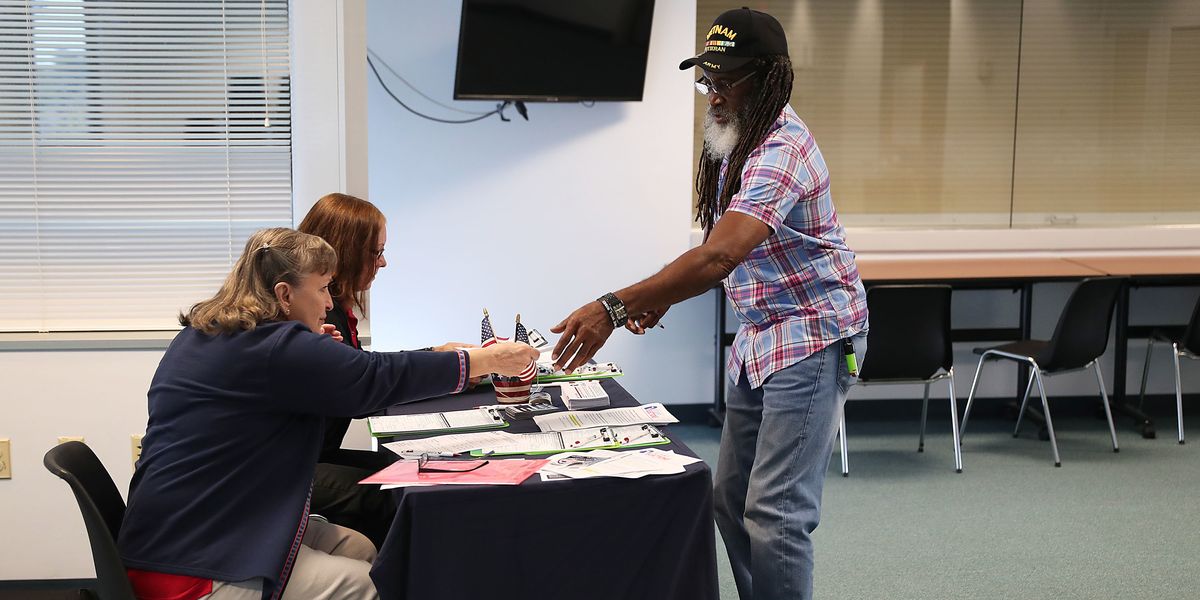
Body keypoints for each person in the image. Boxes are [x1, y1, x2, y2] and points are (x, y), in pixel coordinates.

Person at [550, 8, 868, 600]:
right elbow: (718, 246)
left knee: (776, 513)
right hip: (760, 334)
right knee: (729, 500)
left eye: (727, 80)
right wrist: (665, 295)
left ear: (771, 77)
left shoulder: (783, 150)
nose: (714, 94)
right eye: (708, 81)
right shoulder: (737, 143)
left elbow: (721, 255)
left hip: (812, 336)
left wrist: (613, 307)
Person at [119, 228, 538, 600]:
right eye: (321, 289)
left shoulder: (206, 334)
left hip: (182, 528)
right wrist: (483, 360)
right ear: (285, 295)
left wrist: (317, 353)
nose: (327, 302)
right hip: (198, 564)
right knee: (381, 584)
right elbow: (373, 377)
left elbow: (334, 378)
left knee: (363, 550)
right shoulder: (277, 349)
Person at [298, 192, 475, 548]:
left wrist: (435, 355)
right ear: (347, 252)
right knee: (401, 495)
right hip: (293, 469)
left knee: (408, 471)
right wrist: (457, 366)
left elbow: (363, 370)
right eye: (376, 252)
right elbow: (361, 388)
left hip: (310, 456)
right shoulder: (315, 316)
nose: (383, 263)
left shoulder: (331, 309)